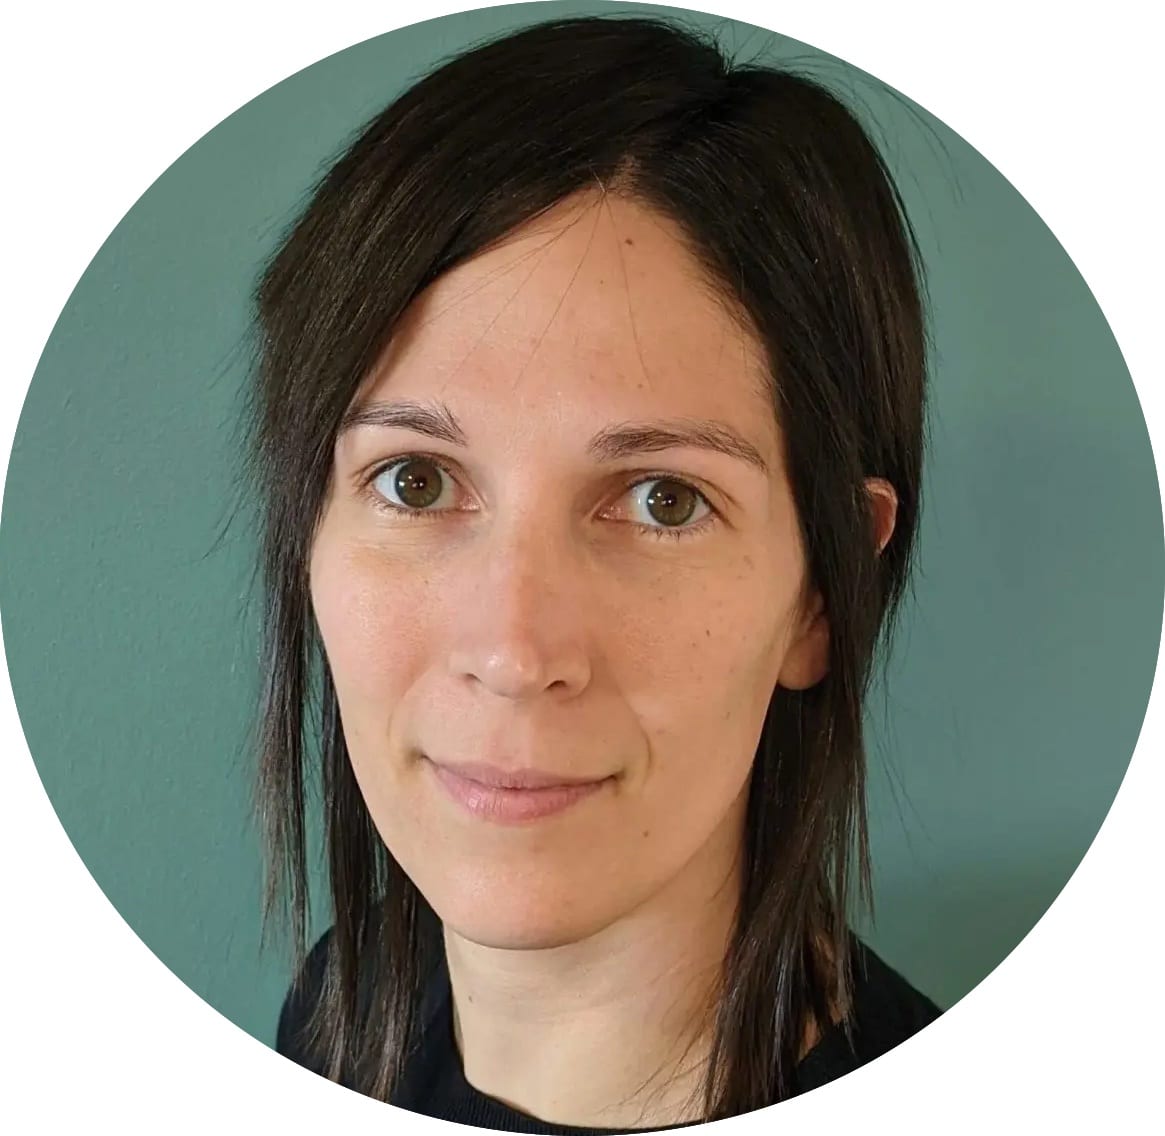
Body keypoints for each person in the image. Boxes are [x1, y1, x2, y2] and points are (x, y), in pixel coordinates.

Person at [249, 13, 939, 1131]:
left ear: (823, 592)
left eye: (663, 499)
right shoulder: (338, 1010)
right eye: (415, 481)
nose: (515, 653)